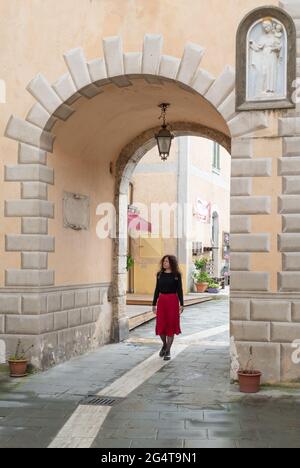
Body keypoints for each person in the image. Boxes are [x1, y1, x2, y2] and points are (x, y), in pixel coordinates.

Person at [152, 255, 184, 361]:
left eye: (166, 261)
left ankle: (168, 351)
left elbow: (179, 290)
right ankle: (165, 345)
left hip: (173, 302)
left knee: (170, 325)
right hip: (162, 301)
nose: (164, 263)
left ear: (171, 263)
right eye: (163, 261)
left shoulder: (176, 275)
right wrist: (153, 304)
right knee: (161, 326)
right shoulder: (159, 274)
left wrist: (182, 304)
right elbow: (157, 289)